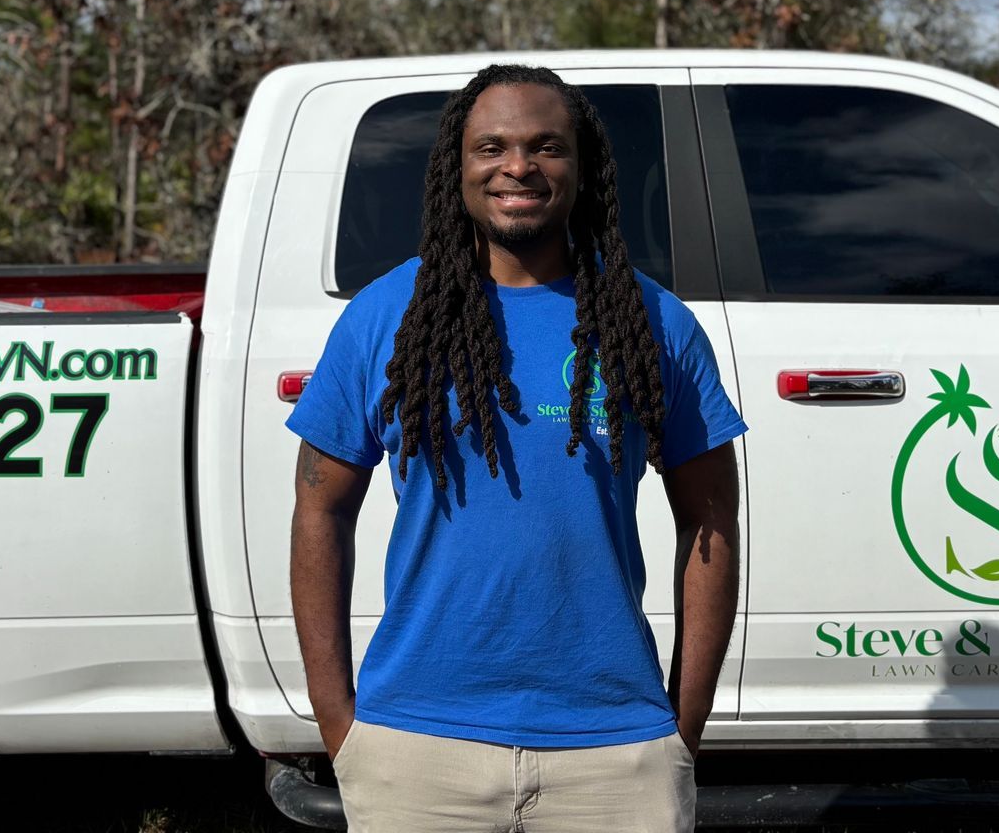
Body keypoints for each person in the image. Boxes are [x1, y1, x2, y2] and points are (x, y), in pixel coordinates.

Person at [288, 62, 747, 833]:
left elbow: (711, 524)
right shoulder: (381, 319)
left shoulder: (654, 324)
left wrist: (680, 731)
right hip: (415, 748)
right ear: (455, 167)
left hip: (615, 752)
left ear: (583, 165)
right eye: (491, 146)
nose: (518, 168)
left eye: (547, 147)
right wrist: (343, 727)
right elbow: (318, 513)